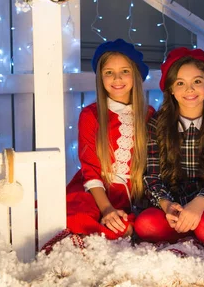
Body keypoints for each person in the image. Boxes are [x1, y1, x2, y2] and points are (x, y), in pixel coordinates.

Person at [135, 47, 204, 244]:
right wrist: (167, 205)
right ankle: (187, 229)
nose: (189, 90)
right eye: (180, 83)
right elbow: (151, 177)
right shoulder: (156, 124)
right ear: (171, 89)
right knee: (146, 224)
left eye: (197, 81)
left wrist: (198, 205)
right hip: (173, 204)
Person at [66, 39, 154, 239]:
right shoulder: (91, 115)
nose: (117, 78)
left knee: (134, 226)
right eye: (108, 72)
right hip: (96, 191)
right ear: (100, 78)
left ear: (135, 75)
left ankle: (129, 225)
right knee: (76, 219)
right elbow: (90, 169)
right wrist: (106, 209)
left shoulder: (148, 114)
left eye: (124, 71)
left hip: (133, 194)